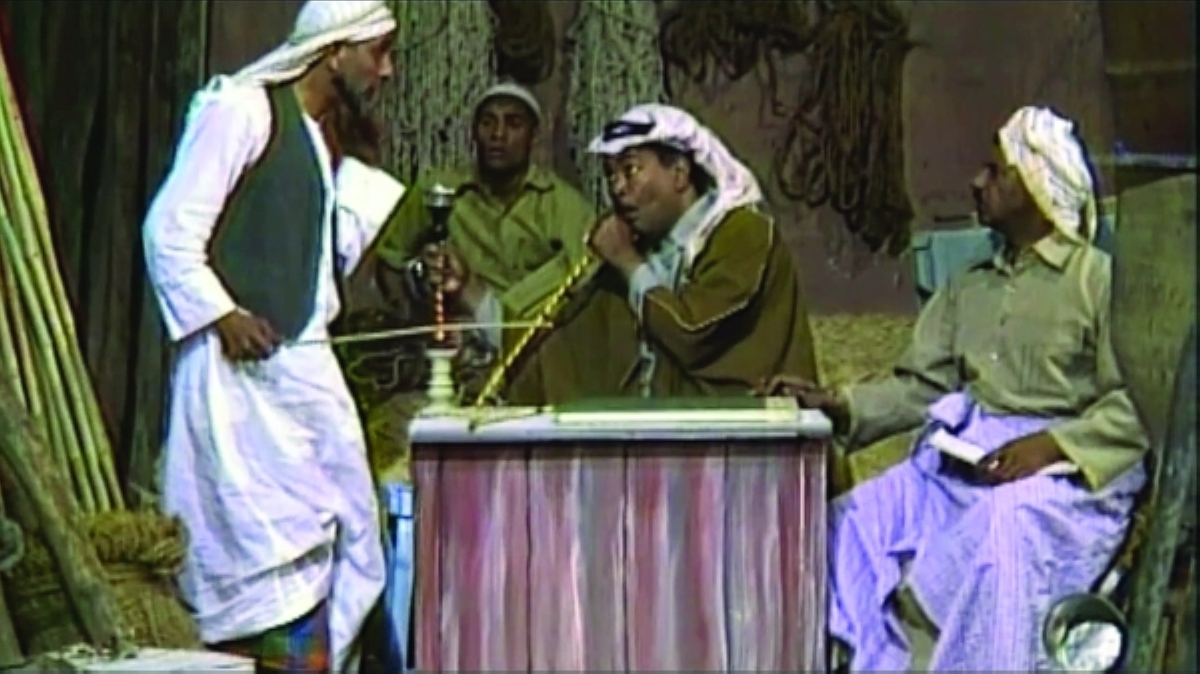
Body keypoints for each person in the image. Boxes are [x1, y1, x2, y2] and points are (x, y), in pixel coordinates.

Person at [764, 106, 1149, 671]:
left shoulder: (1099, 281)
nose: (976, 181)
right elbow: (921, 388)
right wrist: (840, 404)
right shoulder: (967, 287)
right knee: (848, 523)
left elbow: (1134, 402)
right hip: (964, 461)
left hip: (1066, 474)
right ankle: (877, 663)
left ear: (1037, 185)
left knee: (1005, 528)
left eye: (995, 171)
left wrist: (1048, 447)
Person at [142, 2, 402, 671]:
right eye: (377, 52)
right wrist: (222, 314)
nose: (386, 70)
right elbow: (169, 230)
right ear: (334, 50)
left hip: (298, 382)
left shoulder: (313, 139)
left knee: (343, 533)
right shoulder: (241, 111)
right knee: (254, 548)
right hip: (235, 390)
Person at [504, 103, 819, 405]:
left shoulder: (744, 233)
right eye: (611, 175)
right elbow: (569, 345)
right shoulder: (641, 249)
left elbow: (691, 334)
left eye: (630, 170)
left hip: (743, 426)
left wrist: (630, 264)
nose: (618, 188)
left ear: (679, 174)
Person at [373, 82, 595, 355]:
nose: (498, 134)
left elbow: (587, 283)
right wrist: (415, 321)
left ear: (534, 135)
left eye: (513, 124)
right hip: (457, 346)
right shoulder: (438, 191)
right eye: (487, 123)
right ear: (473, 133)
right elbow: (390, 260)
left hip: (533, 345)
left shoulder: (564, 205)